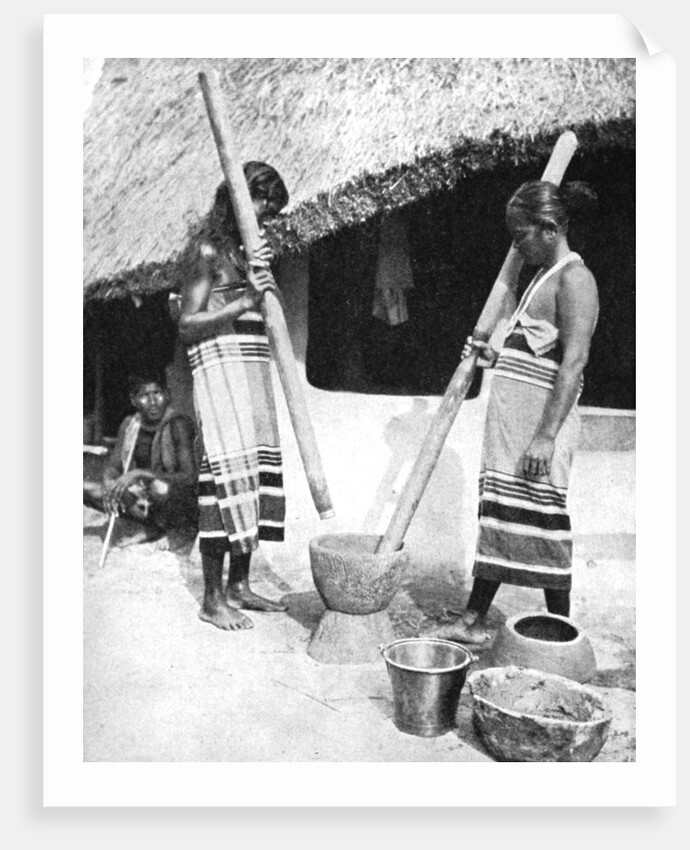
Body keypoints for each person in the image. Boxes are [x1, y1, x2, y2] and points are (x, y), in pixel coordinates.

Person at [439, 180, 599, 645]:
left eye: (521, 235)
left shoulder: (575, 279)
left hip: (540, 429)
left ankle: (562, 634)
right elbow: (536, 348)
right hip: (513, 427)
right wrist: (495, 355)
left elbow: (574, 363)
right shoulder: (541, 277)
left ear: (549, 229)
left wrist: (545, 437)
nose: (517, 246)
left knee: (543, 520)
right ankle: (473, 620)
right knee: (503, 518)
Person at [177, 162, 290, 631]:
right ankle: (212, 599)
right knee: (224, 479)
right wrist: (244, 301)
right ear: (241, 200)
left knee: (253, 474)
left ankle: (239, 586)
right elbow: (187, 323)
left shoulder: (246, 254)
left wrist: (260, 281)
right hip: (221, 374)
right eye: (265, 206)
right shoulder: (205, 251)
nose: (267, 217)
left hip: (252, 370)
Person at [83, 374, 198, 545]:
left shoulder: (178, 424)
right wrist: (109, 483)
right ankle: (151, 527)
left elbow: (189, 477)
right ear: (134, 400)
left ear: (167, 394)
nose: (153, 401)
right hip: (145, 497)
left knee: (159, 487)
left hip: (176, 500)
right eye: (144, 395)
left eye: (157, 393)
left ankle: (172, 529)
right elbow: (113, 465)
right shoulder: (130, 424)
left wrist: (140, 473)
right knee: (87, 490)